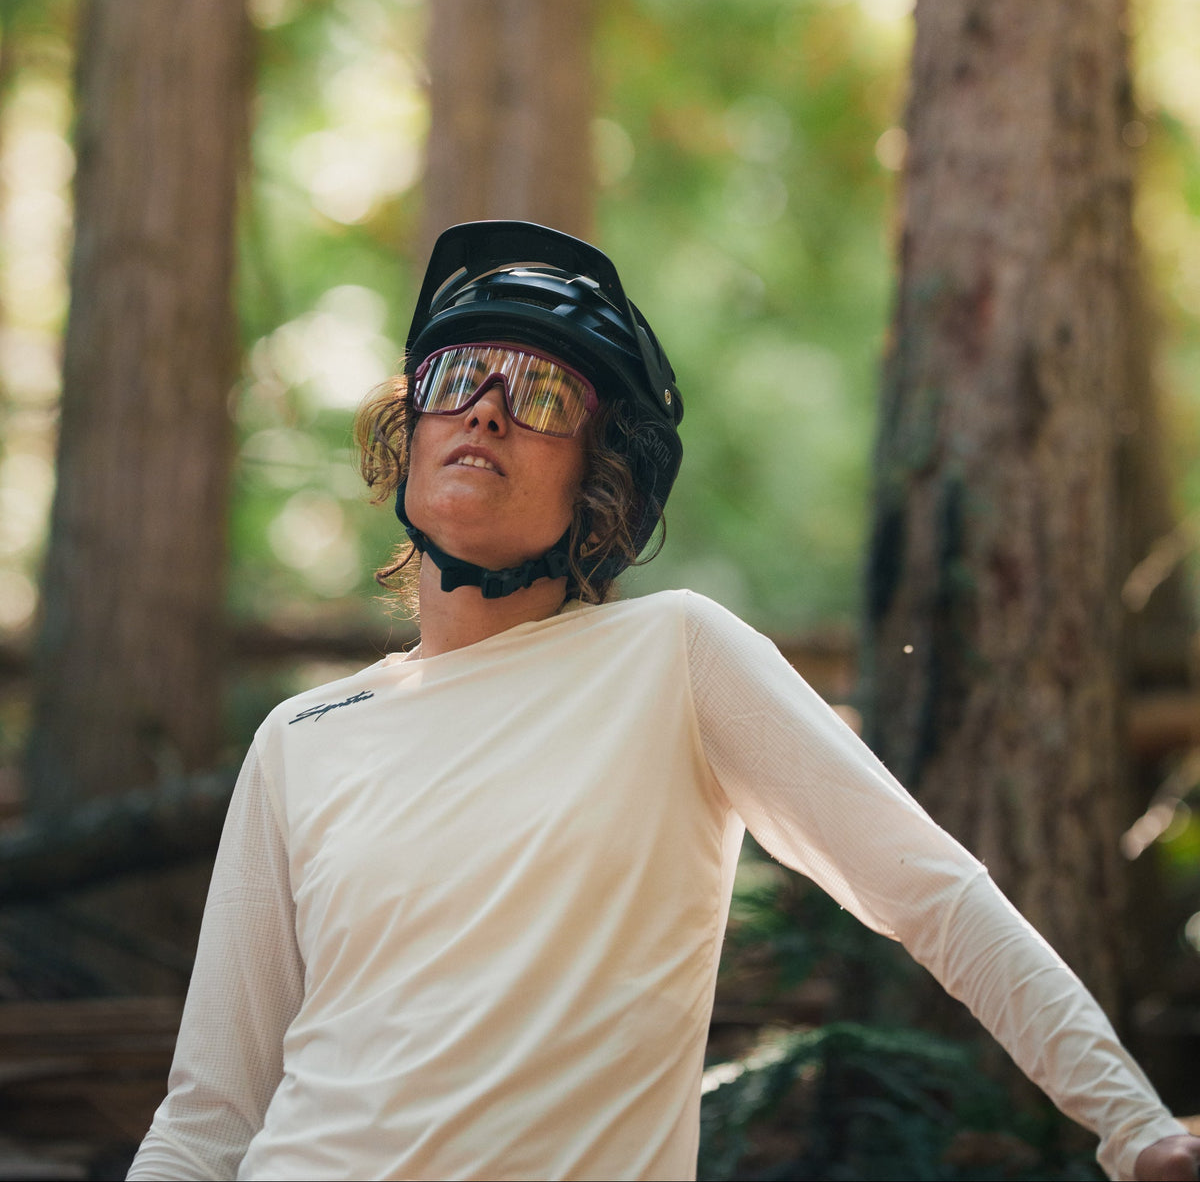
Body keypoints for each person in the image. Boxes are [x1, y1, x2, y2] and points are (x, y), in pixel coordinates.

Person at [128, 220, 1200, 1182]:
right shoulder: (303, 737)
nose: (489, 410)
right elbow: (209, 1121)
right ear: (409, 431)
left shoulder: (672, 656)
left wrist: (1136, 1126)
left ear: (600, 484)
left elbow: (936, 895)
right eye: (458, 376)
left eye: (542, 396)